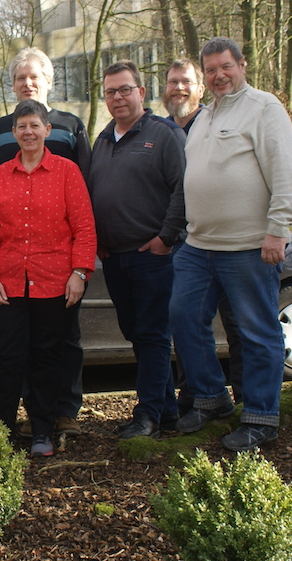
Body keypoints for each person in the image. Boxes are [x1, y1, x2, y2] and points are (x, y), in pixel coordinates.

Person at [171, 37, 292, 452]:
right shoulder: (204, 117)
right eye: (210, 70)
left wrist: (278, 230)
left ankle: (261, 417)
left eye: (225, 66)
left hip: (248, 246)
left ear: (242, 65)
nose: (219, 75)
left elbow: (286, 173)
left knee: (257, 331)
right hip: (198, 245)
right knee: (183, 317)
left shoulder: (264, 108)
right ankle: (212, 398)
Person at [0, 99, 95, 459]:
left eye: (34, 125)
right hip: (8, 284)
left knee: (47, 359)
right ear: (13, 133)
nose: (28, 132)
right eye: (22, 126)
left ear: (47, 130)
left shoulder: (67, 172)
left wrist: (79, 274)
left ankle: (42, 430)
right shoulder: (0, 176)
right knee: (7, 359)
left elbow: (84, 228)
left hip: (55, 283)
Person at [89, 60, 187, 440]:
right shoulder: (102, 140)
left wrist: (166, 238)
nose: (118, 97)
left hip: (153, 256)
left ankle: (147, 415)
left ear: (141, 92)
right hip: (114, 258)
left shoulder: (165, 134)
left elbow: (183, 189)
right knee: (136, 333)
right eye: (111, 91)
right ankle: (167, 412)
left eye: (125, 89)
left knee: (153, 334)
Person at [161, 59, 244, 410]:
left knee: (237, 324)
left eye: (186, 82)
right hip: (180, 245)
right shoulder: (160, 130)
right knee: (186, 322)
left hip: (226, 241)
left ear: (200, 88)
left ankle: (246, 400)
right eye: (172, 82)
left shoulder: (213, 122)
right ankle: (196, 397)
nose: (178, 88)